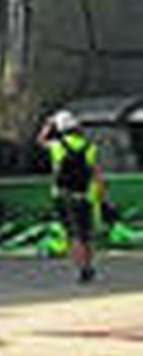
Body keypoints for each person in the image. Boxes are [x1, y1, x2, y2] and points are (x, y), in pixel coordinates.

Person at [39, 109, 105, 283]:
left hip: (62, 194)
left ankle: (81, 268)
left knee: (72, 234)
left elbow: (40, 141)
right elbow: (96, 173)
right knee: (85, 234)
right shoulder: (90, 147)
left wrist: (48, 125)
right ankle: (88, 265)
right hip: (83, 195)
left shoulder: (57, 146)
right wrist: (100, 193)